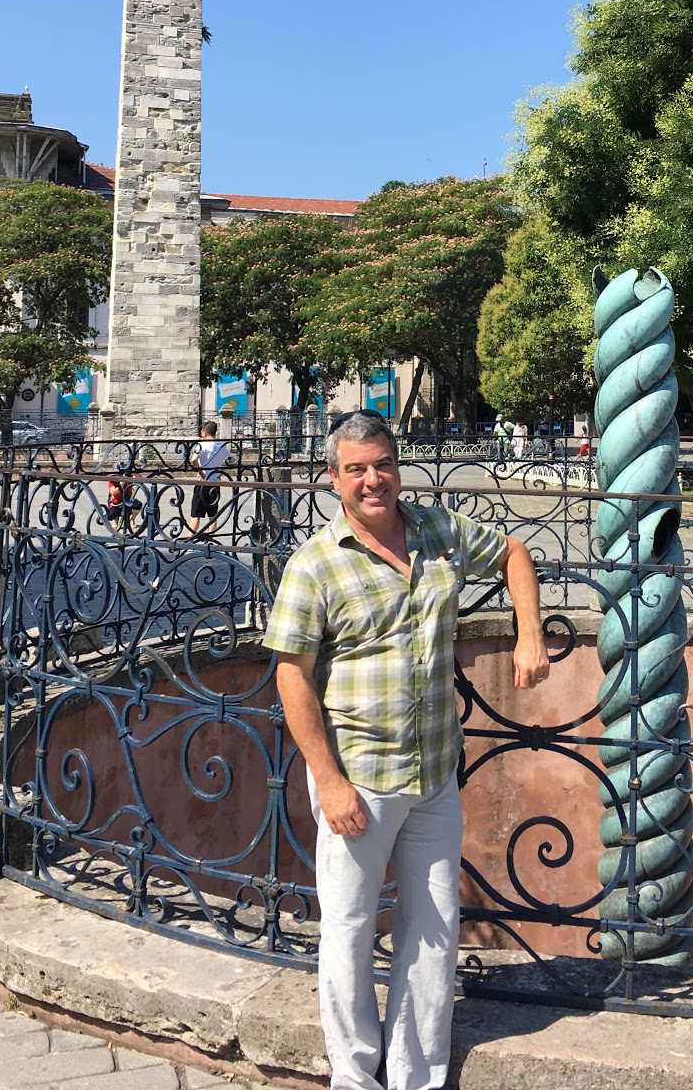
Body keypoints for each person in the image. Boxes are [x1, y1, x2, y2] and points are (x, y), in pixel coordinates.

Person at [263, 409, 549, 1090]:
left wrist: (529, 633)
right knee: (351, 931)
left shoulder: (436, 530)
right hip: (359, 776)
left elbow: (513, 553)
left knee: (433, 932)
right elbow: (291, 676)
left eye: (382, 465)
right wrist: (327, 780)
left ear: (398, 467)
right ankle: (356, 1078)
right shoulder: (316, 565)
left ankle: (416, 1076)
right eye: (356, 469)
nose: (372, 480)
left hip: (433, 773)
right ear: (333, 479)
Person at [189, 421, 232, 535]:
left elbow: (193, 460)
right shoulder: (220, 445)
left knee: (196, 514)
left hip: (203, 482)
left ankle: (190, 538)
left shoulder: (201, 445)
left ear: (204, 432)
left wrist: (199, 470)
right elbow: (232, 459)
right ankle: (210, 538)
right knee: (212, 514)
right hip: (215, 483)